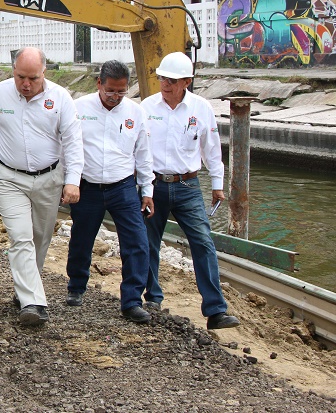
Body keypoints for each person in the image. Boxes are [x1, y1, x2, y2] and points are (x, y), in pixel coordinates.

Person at [0, 47, 84, 326]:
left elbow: (73, 141)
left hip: (49, 178)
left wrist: (73, 180)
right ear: (13, 71)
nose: (26, 84)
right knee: (21, 237)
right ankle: (33, 302)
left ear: (44, 73)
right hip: (9, 177)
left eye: (33, 78)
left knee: (40, 238)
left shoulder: (61, 98)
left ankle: (25, 287)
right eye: (20, 77)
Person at [141, 51, 240, 330]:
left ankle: (215, 310)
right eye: (162, 78)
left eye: (172, 80)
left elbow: (211, 149)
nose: (165, 84)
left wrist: (218, 186)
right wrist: (142, 187)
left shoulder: (201, 109)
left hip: (187, 185)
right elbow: (138, 149)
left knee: (203, 242)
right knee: (149, 241)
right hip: (154, 184)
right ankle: (153, 299)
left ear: (186, 81)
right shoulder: (147, 108)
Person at [65, 60, 154, 324]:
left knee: (137, 242)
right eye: (110, 91)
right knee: (82, 238)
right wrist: (67, 181)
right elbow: (66, 146)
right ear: (99, 84)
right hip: (87, 186)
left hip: (123, 186)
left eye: (121, 92)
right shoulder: (78, 108)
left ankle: (131, 300)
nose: (115, 97)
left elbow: (144, 154)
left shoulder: (135, 113)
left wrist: (147, 189)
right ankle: (76, 286)